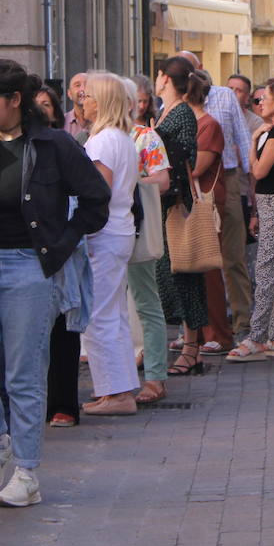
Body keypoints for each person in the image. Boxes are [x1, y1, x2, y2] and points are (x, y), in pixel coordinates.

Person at [0, 60, 109, 507]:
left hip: (30, 269)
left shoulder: (55, 146)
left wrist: (63, 242)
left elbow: (96, 202)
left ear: (15, 100)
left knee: (23, 375)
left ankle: (28, 473)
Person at [77, 72, 142, 416]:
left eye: (86, 95)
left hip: (103, 234)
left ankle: (116, 393)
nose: (81, 101)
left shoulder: (102, 141)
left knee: (100, 315)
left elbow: (96, 192)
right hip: (118, 230)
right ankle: (118, 388)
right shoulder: (120, 138)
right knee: (112, 314)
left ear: (100, 102)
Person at [176, 53, 253, 341]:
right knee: (196, 260)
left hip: (226, 180)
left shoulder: (224, 96)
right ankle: (198, 330)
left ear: (200, 69)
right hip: (191, 189)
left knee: (232, 256)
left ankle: (242, 321)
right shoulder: (174, 102)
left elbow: (243, 138)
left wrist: (252, 188)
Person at [228, 77, 274, 362]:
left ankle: (257, 337)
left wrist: (256, 139)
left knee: (267, 270)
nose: (259, 102)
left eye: (264, 98)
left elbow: (257, 172)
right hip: (273, 201)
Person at [153, 57, 211, 376]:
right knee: (171, 272)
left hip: (178, 202)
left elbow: (185, 155)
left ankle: (192, 347)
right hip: (166, 202)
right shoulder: (166, 112)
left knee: (183, 270)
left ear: (164, 79)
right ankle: (187, 345)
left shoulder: (183, 113)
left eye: (159, 74)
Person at [34, 81, 84, 428]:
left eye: (46, 104)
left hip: (60, 250)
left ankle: (64, 403)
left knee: (62, 327)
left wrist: (67, 240)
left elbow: (89, 197)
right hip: (22, 252)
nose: (40, 110)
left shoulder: (62, 146)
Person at [123, 77, 172, 405]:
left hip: (136, 229)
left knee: (146, 301)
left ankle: (155, 375)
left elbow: (163, 180)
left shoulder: (145, 137)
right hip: (106, 233)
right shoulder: (98, 137)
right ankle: (121, 375)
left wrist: (128, 180)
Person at [63, 72, 90, 141]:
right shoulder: (61, 122)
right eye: (77, 85)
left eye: (87, 85)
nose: (83, 89)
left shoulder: (103, 122)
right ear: (69, 94)